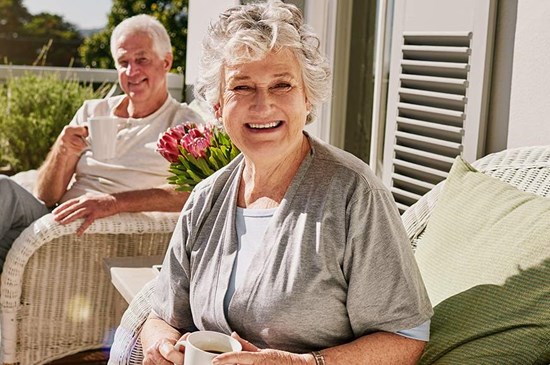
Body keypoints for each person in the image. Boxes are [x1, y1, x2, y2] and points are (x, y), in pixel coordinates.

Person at [140, 2, 433, 364]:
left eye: (282, 85)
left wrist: (302, 363)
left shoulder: (354, 195)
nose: (263, 106)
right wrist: (162, 347)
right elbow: (161, 317)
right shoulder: (205, 199)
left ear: (307, 98)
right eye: (242, 87)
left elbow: (405, 337)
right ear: (218, 106)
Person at [0, 14, 203, 273]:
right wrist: (62, 150)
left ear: (166, 62)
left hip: (99, 235)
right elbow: (47, 195)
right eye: (123, 62)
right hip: (50, 223)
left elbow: (193, 192)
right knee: (3, 190)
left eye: (142, 59)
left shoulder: (184, 123)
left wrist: (114, 202)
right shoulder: (92, 110)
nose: (132, 72)